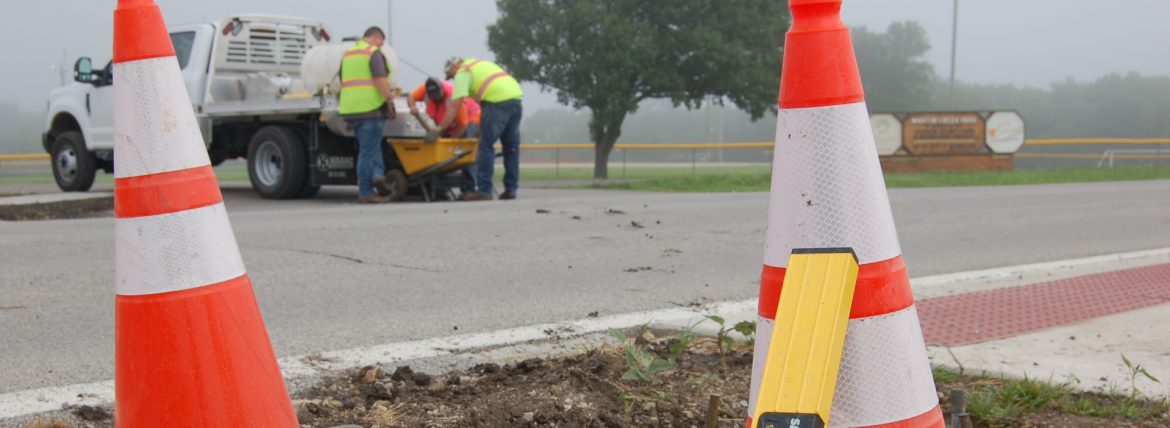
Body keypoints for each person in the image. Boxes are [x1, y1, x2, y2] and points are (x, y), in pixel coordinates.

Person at [438, 57, 523, 201]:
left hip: (497, 101)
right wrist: (480, 128)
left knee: (485, 146)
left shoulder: (462, 73)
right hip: (515, 98)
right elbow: (485, 98)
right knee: (511, 148)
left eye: (451, 76)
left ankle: (484, 191)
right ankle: (511, 190)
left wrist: (439, 130)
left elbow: (454, 106)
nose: (453, 79)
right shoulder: (480, 64)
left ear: (453, 67)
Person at [339, 26, 396, 203]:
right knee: (367, 152)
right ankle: (365, 191)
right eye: (382, 43)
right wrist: (389, 100)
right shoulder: (373, 53)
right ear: (377, 38)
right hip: (370, 109)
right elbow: (380, 79)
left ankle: (378, 176)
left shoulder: (348, 54)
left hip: (351, 110)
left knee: (371, 147)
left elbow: (342, 80)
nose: (381, 46)